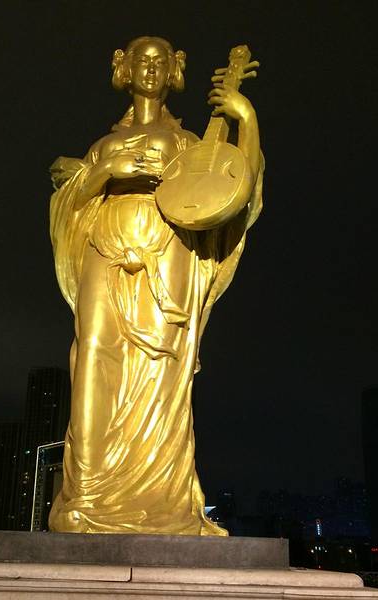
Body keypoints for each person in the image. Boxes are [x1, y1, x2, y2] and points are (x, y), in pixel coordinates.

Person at [48, 36, 264, 535]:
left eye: (160, 61)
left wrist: (246, 117)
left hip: (167, 251)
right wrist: (105, 171)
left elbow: (237, 189)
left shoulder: (190, 143)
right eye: (141, 60)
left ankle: (161, 498)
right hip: (105, 245)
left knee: (162, 369)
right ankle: (86, 493)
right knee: (92, 354)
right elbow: (70, 201)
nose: (150, 68)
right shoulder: (103, 145)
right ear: (124, 68)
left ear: (174, 71)